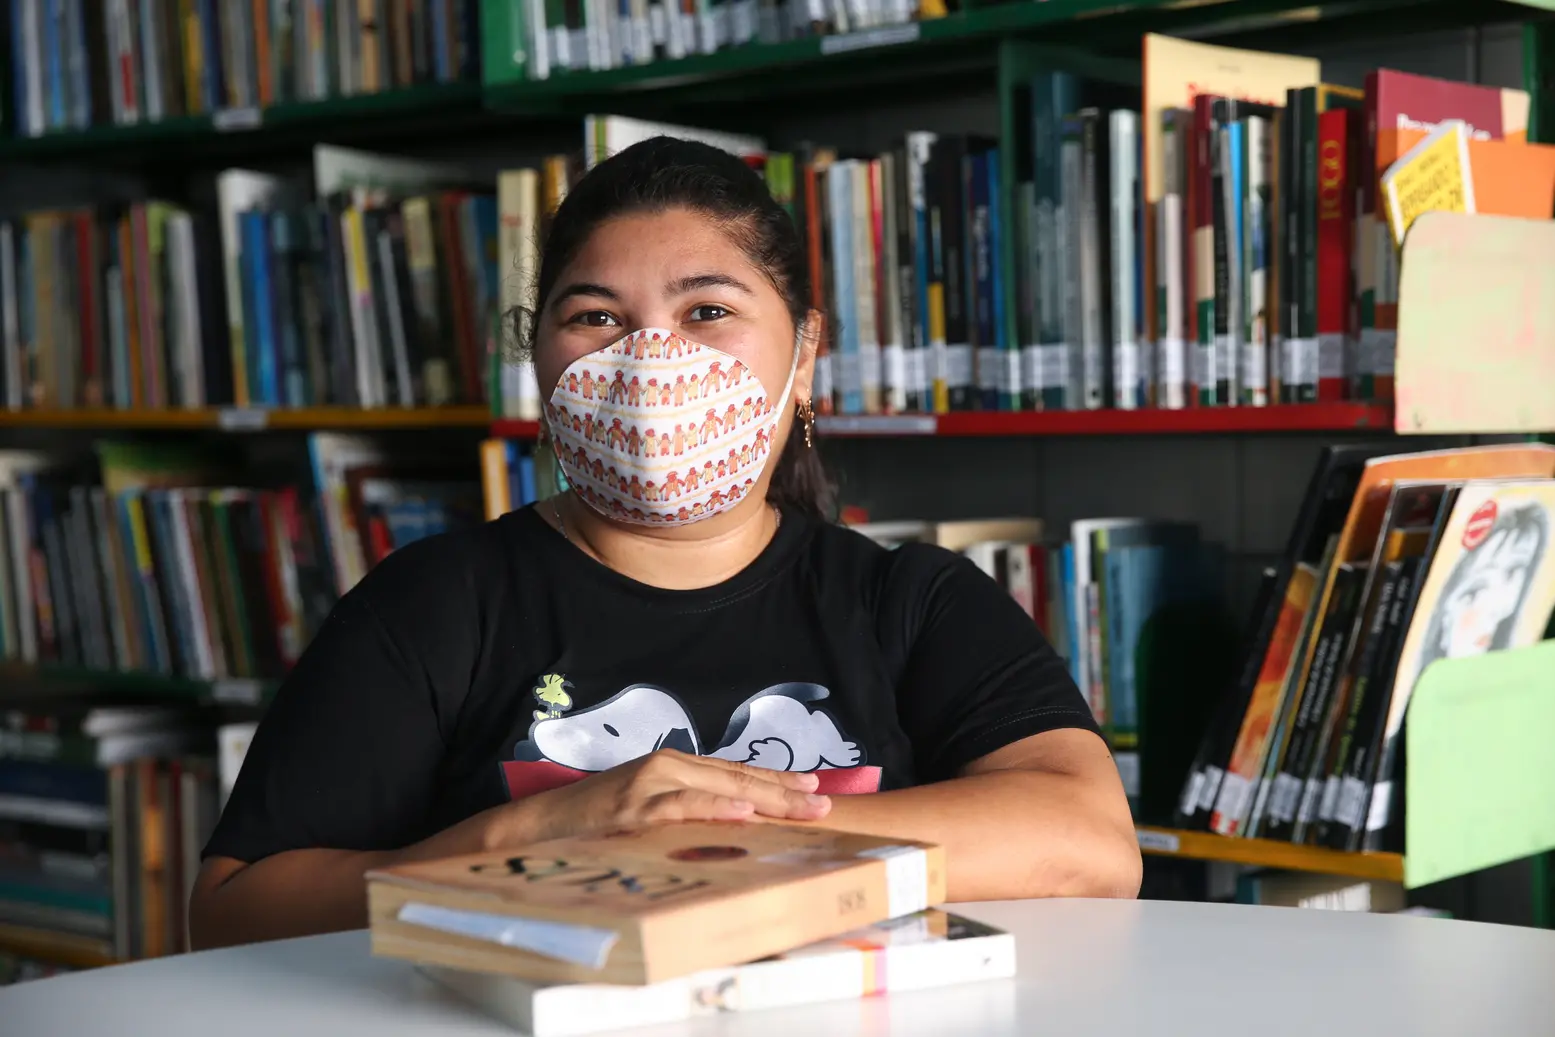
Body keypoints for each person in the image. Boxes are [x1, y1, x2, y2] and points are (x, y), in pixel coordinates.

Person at [188, 136, 1141, 951]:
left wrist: (697, 837)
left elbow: (1089, 841)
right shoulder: (437, 602)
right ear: (542, 359)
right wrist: (538, 831)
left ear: (803, 354)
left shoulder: (910, 601)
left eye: (707, 311)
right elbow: (234, 911)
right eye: (596, 316)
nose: (649, 358)